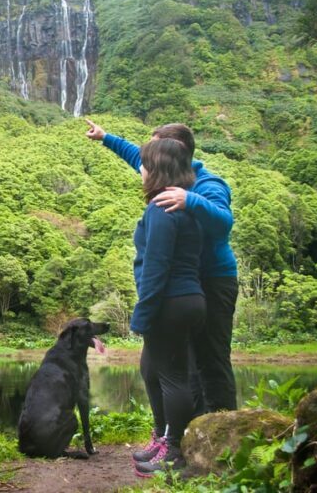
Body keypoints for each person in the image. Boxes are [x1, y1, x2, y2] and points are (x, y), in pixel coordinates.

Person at [85, 119, 238, 416]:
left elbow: (224, 222)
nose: (147, 160)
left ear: (175, 151)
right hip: (184, 284)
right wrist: (106, 137)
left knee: (212, 357)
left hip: (213, 279)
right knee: (184, 364)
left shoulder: (208, 185)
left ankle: (224, 430)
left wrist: (190, 200)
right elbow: (137, 156)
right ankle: (192, 429)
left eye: (155, 150)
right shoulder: (165, 174)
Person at [128, 138, 206, 475]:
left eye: (145, 165)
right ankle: (163, 439)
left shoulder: (161, 208)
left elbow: (156, 266)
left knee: (172, 377)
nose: (141, 170)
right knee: (152, 369)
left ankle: (174, 451)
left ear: (157, 170)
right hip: (185, 299)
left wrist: (142, 315)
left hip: (171, 302)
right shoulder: (182, 205)